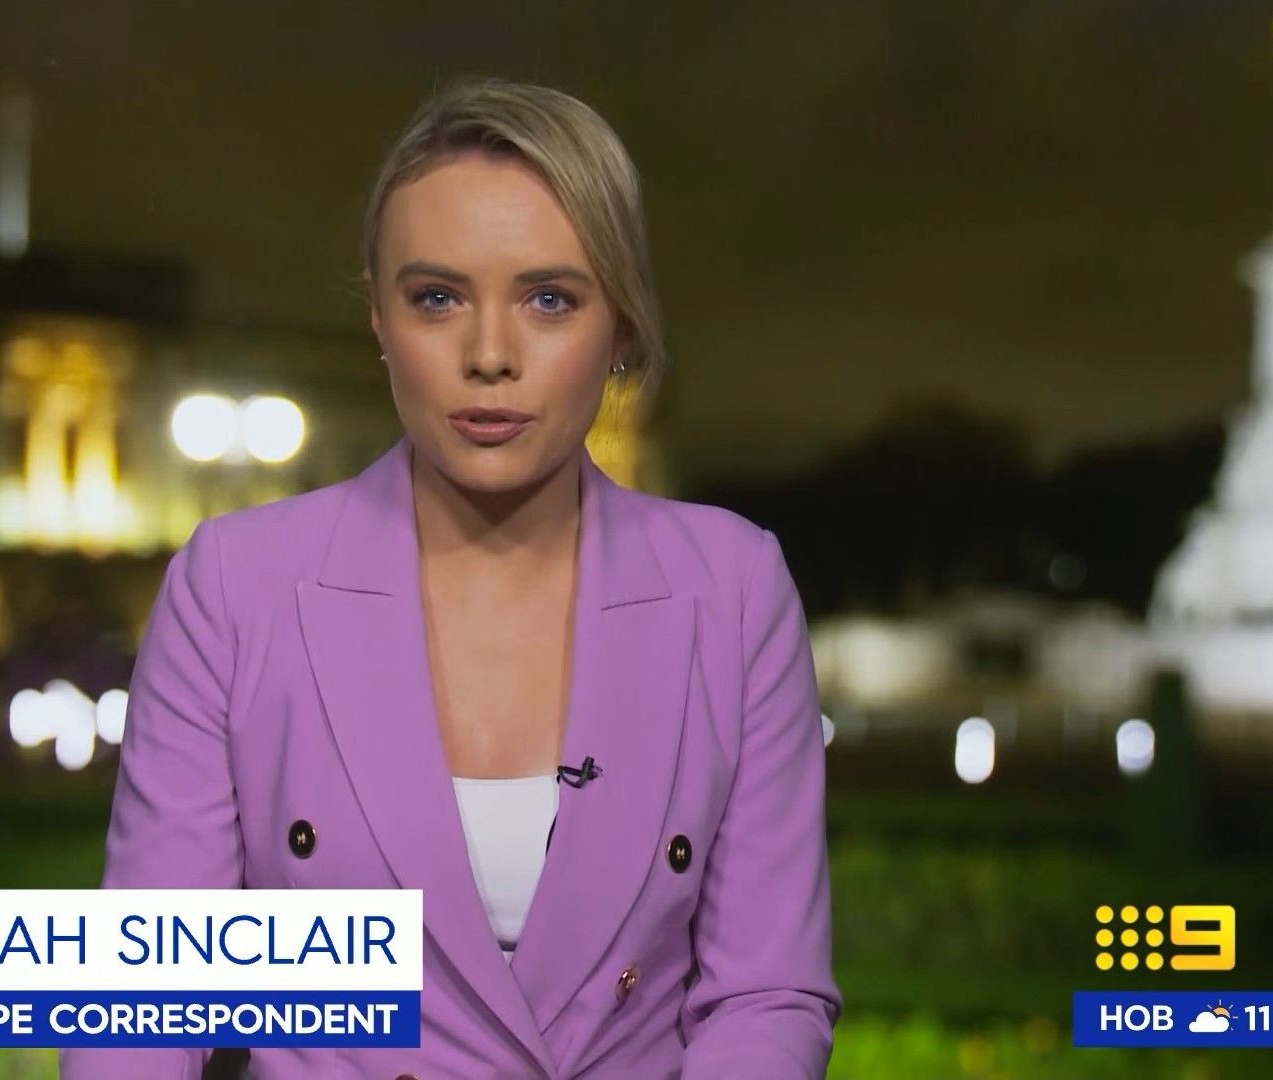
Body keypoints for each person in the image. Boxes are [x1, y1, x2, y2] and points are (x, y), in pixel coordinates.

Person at [62, 76, 840, 1080]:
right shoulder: (234, 589)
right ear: (378, 317)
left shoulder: (732, 590)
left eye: (550, 299)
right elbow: (146, 1008)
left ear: (622, 326)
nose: (489, 355)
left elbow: (765, 997)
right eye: (437, 298)